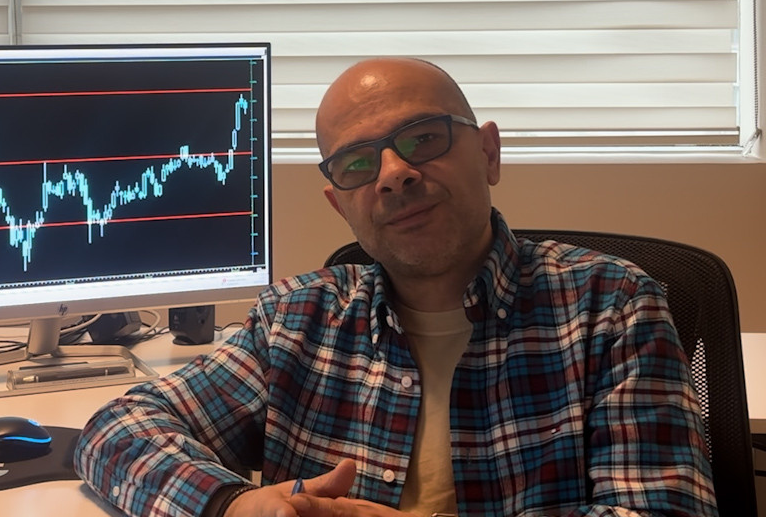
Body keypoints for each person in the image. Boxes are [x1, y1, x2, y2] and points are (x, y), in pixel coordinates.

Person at [73, 57, 716, 517]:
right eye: (358, 162)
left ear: (489, 154)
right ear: (340, 204)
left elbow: (658, 509)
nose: (394, 174)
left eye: (423, 139)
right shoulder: (296, 318)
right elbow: (115, 430)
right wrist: (232, 504)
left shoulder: (611, 307)